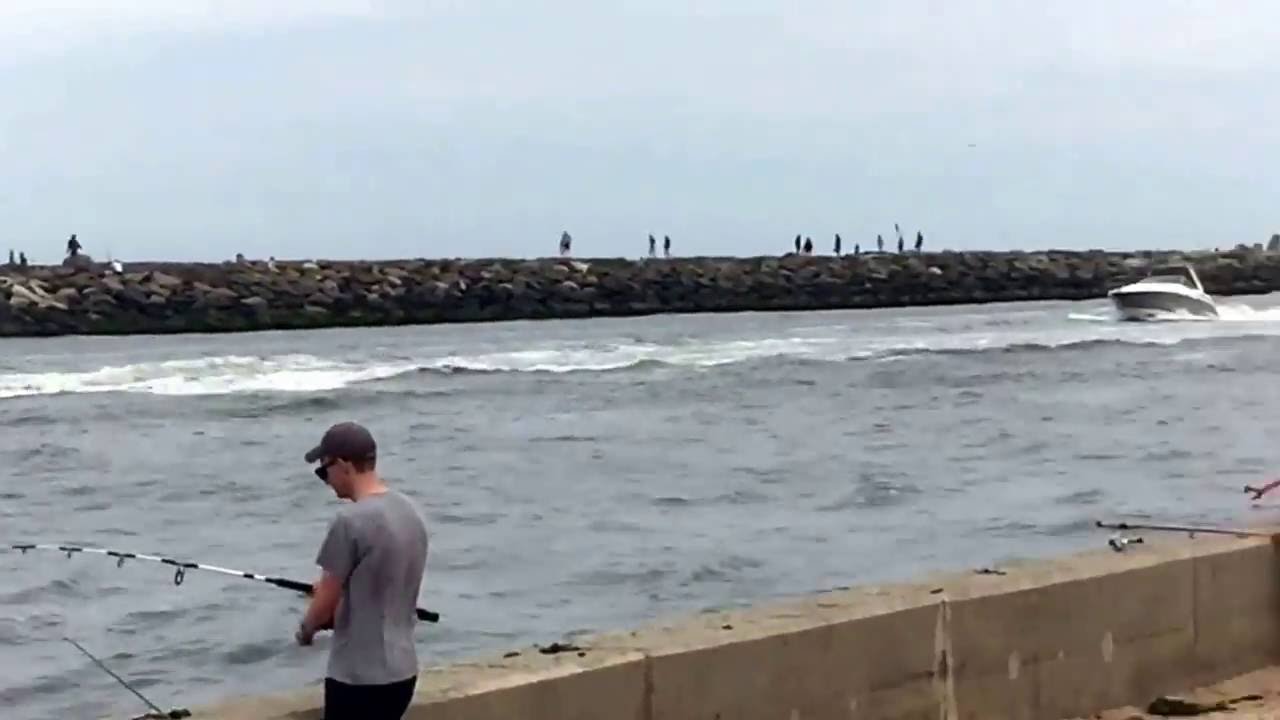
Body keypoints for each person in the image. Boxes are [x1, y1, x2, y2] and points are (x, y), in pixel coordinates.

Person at [296, 421, 430, 720]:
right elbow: (385, 586)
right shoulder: (411, 511)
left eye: (324, 471)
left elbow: (323, 607)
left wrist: (305, 631)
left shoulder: (350, 522)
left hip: (358, 678)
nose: (326, 480)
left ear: (343, 465)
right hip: (403, 673)